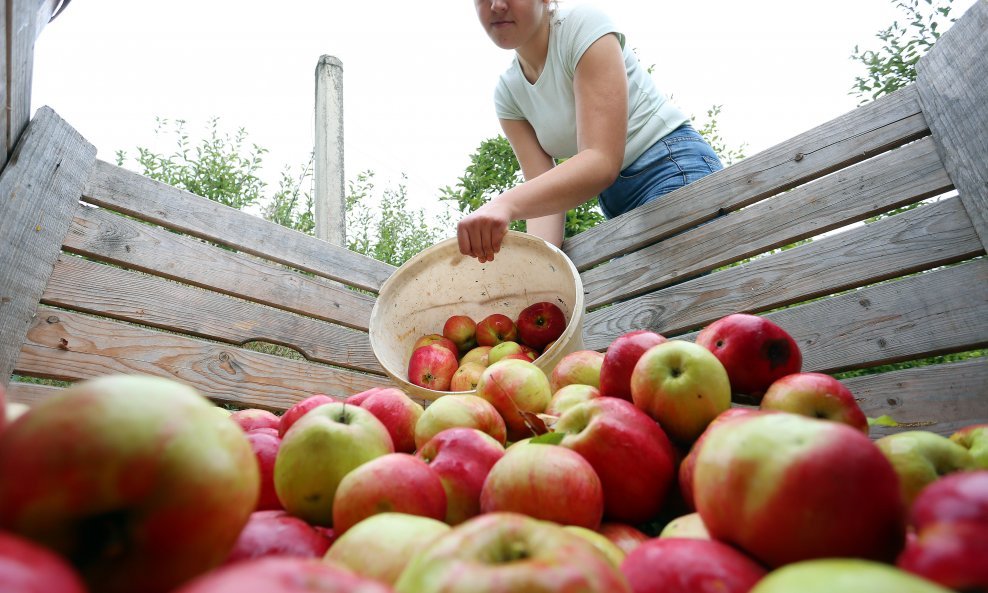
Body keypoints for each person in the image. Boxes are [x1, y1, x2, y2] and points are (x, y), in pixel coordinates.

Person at [457, 0, 723, 262]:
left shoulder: (582, 26)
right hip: (616, 201)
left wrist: (505, 203)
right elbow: (544, 201)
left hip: (671, 166)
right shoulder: (508, 94)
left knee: (647, 300)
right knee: (637, 300)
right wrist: (537, 267)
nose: (496, 5)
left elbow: (601, 160)